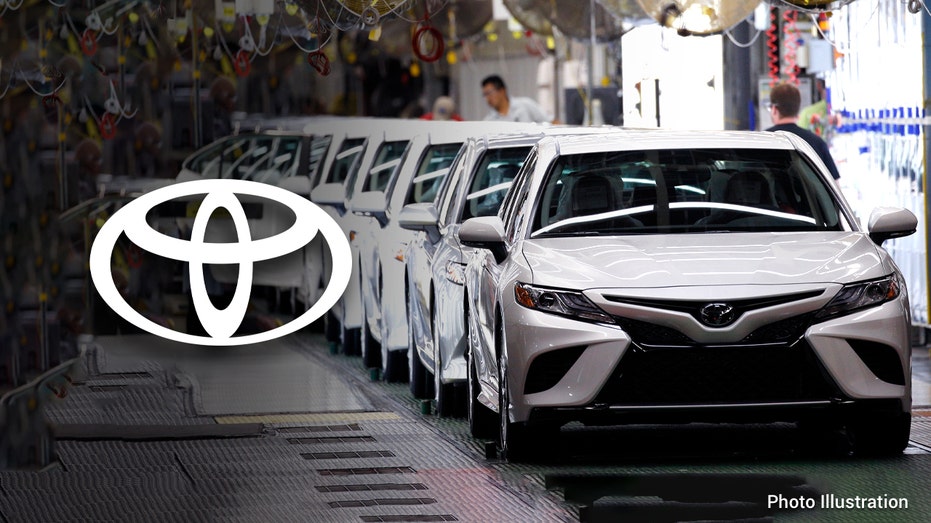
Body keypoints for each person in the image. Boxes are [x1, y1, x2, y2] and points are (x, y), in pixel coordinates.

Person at [765, 82, 841, 180]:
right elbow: (834, 186)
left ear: (774, 109)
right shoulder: (817, 143)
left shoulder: (762, 141)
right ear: (797, 109)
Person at [481, 75, 553, 123]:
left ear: (502, 91)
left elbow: (550, 121)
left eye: (489, 93)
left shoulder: (525, 105)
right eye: (485, 95)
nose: (487, 98)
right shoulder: (489, 121)